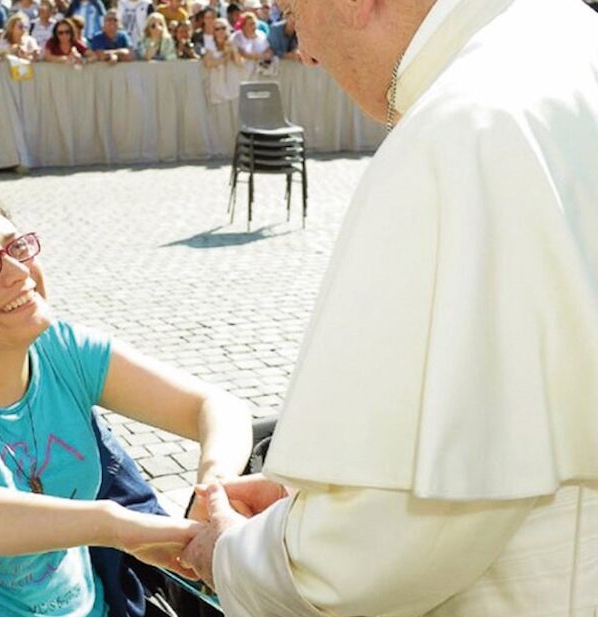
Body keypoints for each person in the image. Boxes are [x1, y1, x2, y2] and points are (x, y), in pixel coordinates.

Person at [181, 0, 598, 615]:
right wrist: (320, 497)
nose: (306, 51)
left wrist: (235, 552)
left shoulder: (463, 129)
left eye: (297, 15)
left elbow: (393, 542)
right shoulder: (570, 30)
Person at [0, 195, 253, 617]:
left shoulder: (64, 350)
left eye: (16, 248)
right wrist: (113, 527)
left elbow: (217, 406)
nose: (19, 272)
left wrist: (212, 489)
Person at [201, 16, 240, 104]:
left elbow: (239, 62)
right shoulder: (210, 45)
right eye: (217, 29)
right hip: (217, 87)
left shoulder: (233, 42)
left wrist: (233, 49)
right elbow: (208, 63)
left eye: (223, 28)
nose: (221, 31)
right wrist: (224, 59)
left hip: (232, 85)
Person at [228, 11, 271, 76]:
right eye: (251, 24)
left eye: (254, 24)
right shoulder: (235, 37)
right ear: (243, 26)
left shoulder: (261, 35)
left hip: (259, 73)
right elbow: (239, 56)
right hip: (241, 74)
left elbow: (268, 51)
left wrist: (250, 55)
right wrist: (258, 56)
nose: (254, 26)